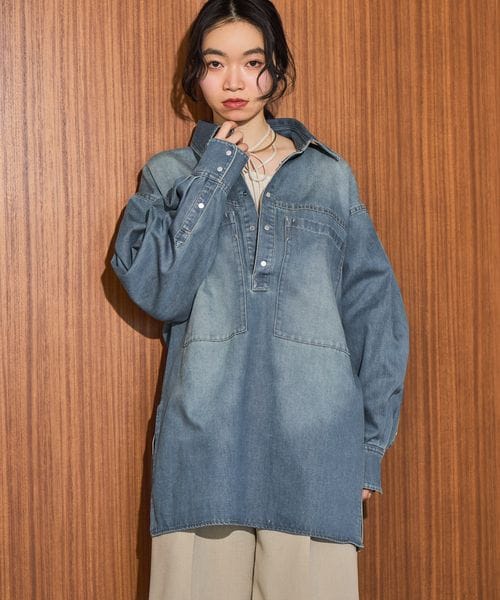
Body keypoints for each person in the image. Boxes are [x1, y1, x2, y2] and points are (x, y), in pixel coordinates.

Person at [111, 1, 409, 598]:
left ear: (275, 69)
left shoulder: (330, 178)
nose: (234, 81)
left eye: (252, 62)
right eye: (215, 63)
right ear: (196, 74)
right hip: (204, 456)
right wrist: (216, 170)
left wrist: (369, 447)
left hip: (315, 457)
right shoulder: (170, 176)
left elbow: (376, 316)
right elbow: (162, 291)